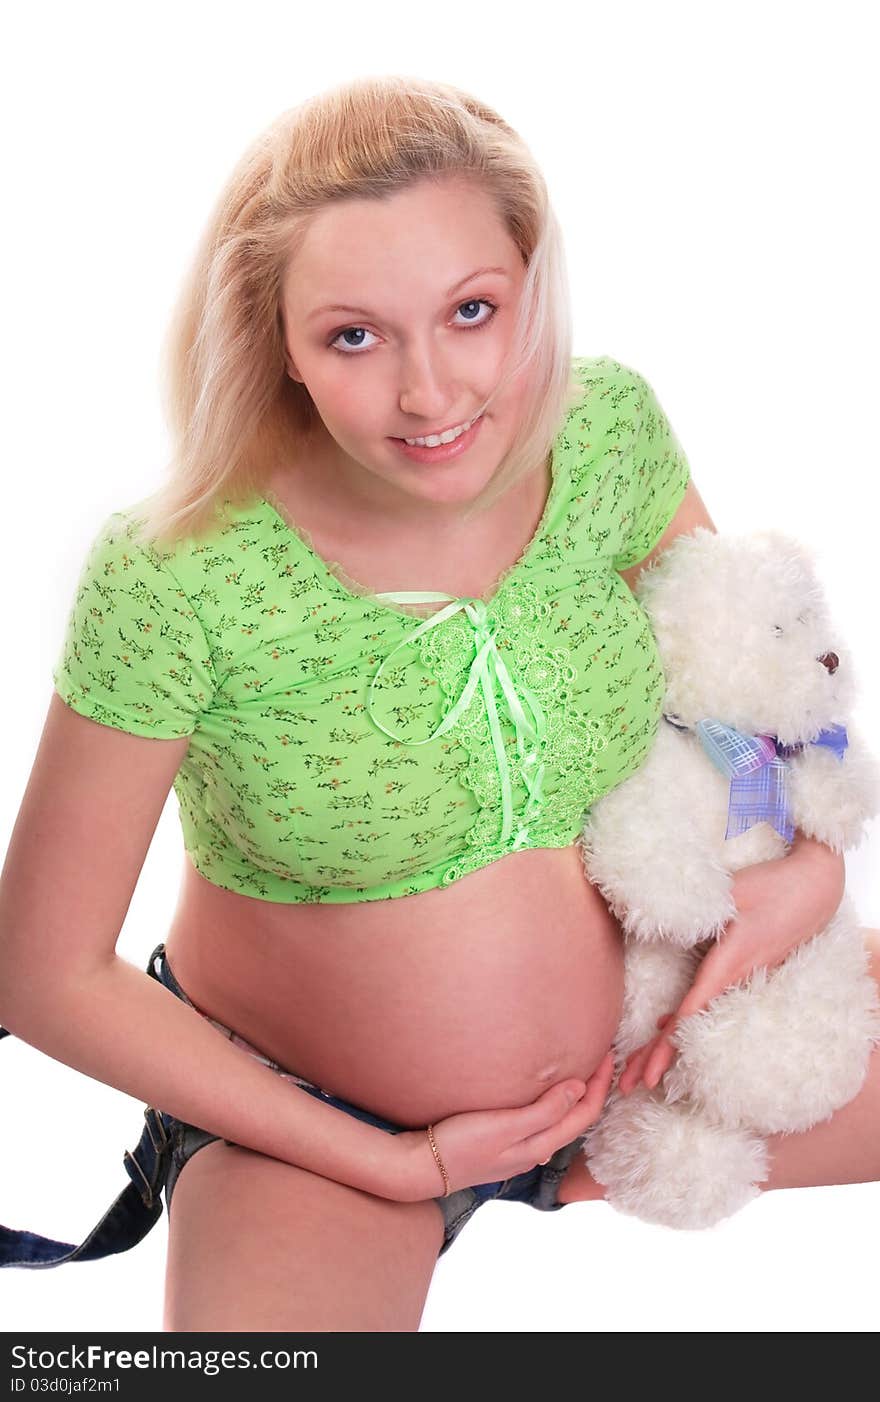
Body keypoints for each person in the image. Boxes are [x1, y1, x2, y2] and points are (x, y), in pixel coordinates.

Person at [0, 74, 876, 1332]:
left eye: (473, 312)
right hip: (312, 1128)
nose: (430, 392)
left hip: (657, 1044)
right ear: (277, 343)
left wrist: (804, 867)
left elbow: (768, 679)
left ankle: (585, 1162)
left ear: (533, 283)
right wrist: (394, 1165)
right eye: (353, 336)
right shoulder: (178, 574)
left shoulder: (604, 430)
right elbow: (45, 972)